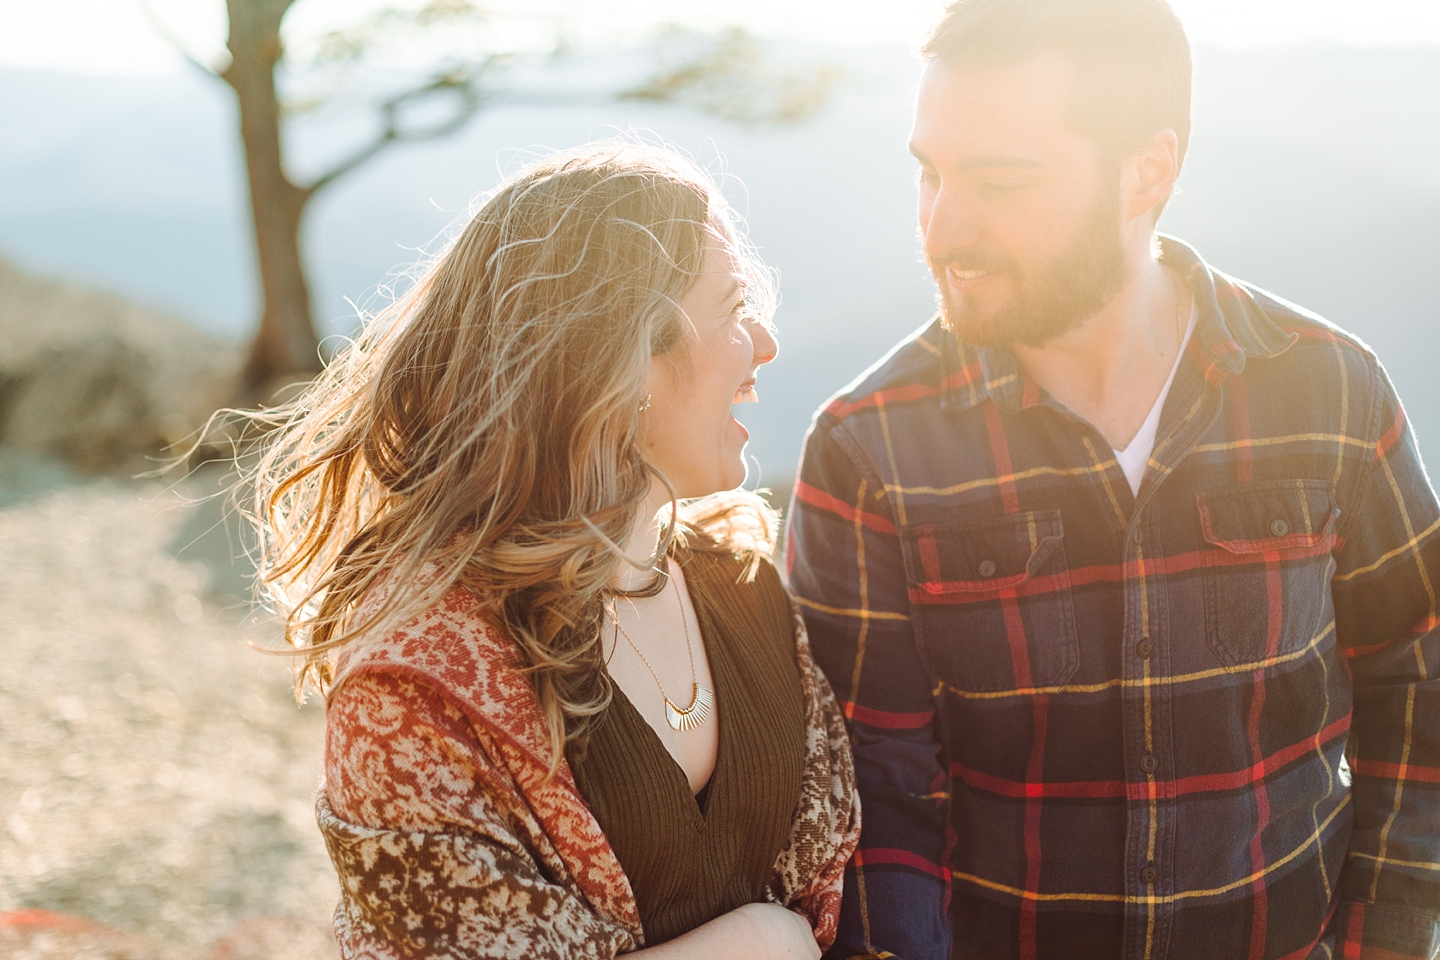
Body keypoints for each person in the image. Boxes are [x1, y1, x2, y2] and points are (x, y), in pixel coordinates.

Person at [785, 1, 1440, 958]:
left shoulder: (1330, 391)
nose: (941, 229)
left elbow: (1418, 665)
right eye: (930, 174)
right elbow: (874, 796)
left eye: (999, 183)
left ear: (1148, 170)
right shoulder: (868, 451)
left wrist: (1387, 936)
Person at [245, 143, 859, 959]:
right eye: (733, 308)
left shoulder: (743, 582)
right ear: (625, 354)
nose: (766, 346)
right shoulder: (417, 677)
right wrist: (759, 941)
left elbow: (829, 896)